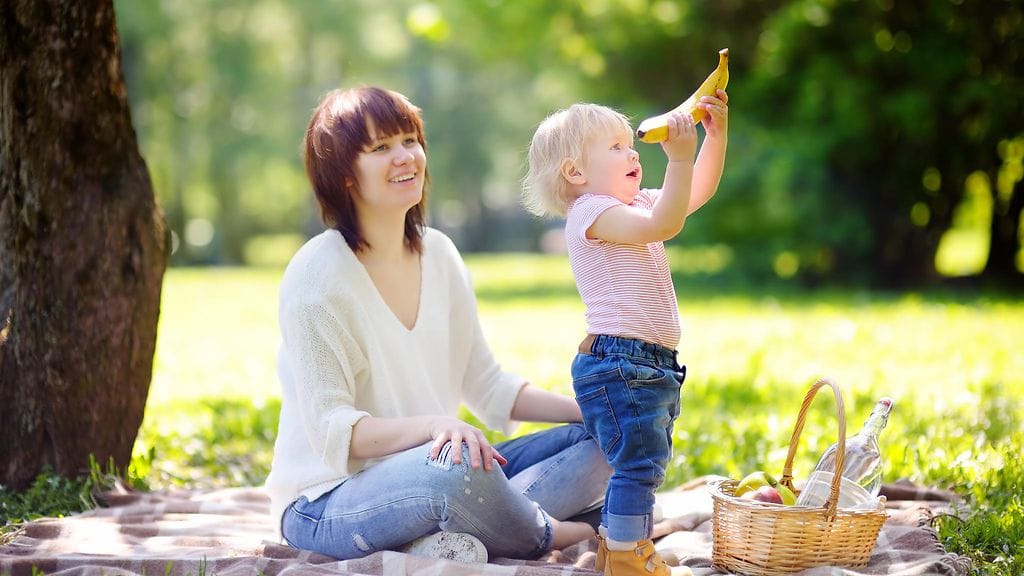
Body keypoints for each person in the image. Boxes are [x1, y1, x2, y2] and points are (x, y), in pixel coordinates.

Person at [264, 86, 611, 564]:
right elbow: (333, 432)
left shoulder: (441, 254)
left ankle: (443, 538)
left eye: (410, 140)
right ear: (343, 173)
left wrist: (594, 410)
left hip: (443, 474)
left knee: (611, 439)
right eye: (381, 147)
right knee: (458, 475)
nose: (405, 157)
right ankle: (572, 531)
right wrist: (435, 427)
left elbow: (488, 386)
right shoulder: (317, 276)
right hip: (326, 502)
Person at [521, 90, 729, 576]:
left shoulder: (633, 204)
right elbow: (667, 223)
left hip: (644, 363)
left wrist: (712, 140)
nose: (633, 152)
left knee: (644, 460)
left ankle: (625, 545)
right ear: (576, 172)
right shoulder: (591, 213)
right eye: (615, 147)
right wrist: (677, 156)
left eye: (628, 144)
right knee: (638, 464)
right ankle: (624, 554)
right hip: (620, 363)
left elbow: (694, 192)